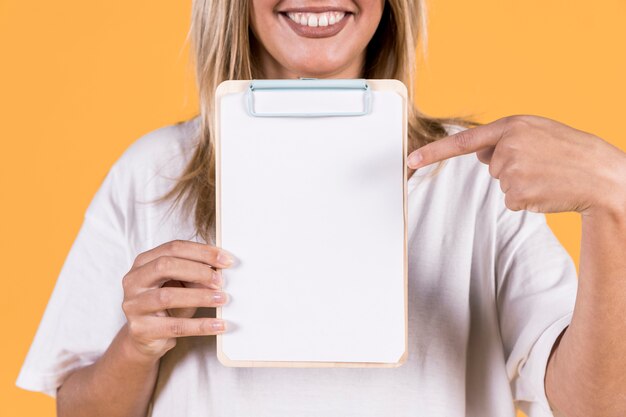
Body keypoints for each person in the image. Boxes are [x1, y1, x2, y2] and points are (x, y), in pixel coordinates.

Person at [15, 1, 626, 417]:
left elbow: (595, 406)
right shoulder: (153, 170)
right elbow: (79, 408)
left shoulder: (477, 175)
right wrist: (136, 345)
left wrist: (613, 201)